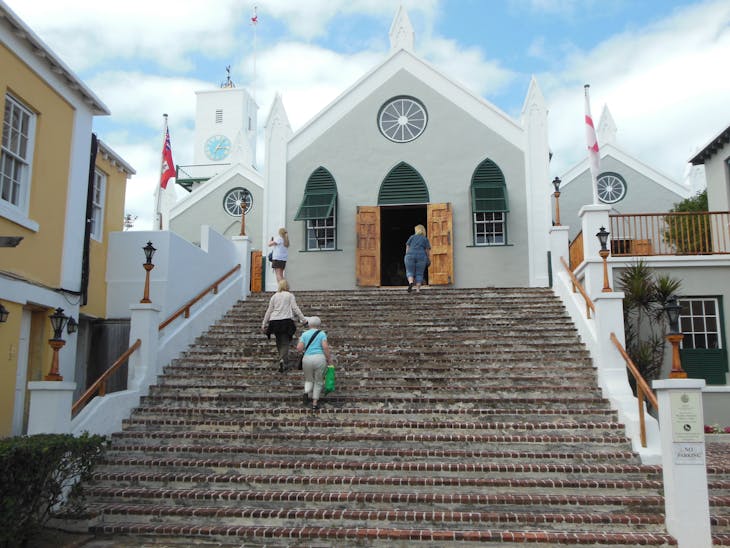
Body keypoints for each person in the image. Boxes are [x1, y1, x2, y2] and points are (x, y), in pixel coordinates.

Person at [261, 279, 307, 372]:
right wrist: (303, 319)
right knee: (285, 341)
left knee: (279, 340)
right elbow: (295, 308)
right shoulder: (289, 295)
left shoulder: (274, 296)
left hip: (274, 321)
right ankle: (283, 360)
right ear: (287, 286)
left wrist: (264, 323)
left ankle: (282, 359)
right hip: (286, 320)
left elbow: (269, 310)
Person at [296, 316, 332, 411]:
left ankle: (306, 391)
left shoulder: (304, 334)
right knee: (318, 380)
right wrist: (329, 359)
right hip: (319, 358)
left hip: (307, 359)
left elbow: (299, 348)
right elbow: (325, 347)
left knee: (309, 379)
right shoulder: (322, 334)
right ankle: (314, 403)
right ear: (319, 325)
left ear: (309, 324)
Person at [404, 224, 431, 293]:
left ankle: (410, 282)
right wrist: (428, 258)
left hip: (410, 255)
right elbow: (427, 250)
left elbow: (407, 246)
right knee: (419, 273)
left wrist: (407, 255)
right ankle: (418, 289)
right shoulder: (425, 239)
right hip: (421, 256)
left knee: (410, 271)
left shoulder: (412, 237)